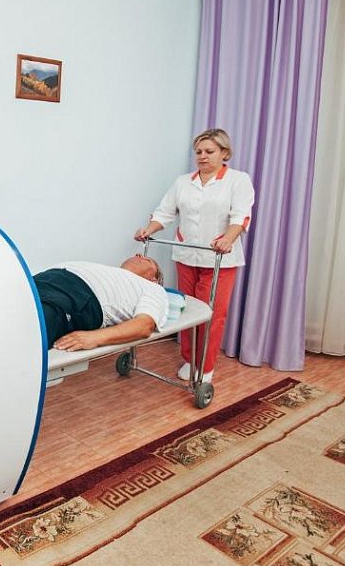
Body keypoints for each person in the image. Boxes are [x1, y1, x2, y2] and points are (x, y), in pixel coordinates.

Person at [134, 128, 255, 383]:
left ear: (224, 153)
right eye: (198, 152)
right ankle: (189, 359)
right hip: (186, 256)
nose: (202, 156)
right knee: (187, 311)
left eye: (209, 151)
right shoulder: (183, 182)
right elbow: (165, 212)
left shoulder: (238, 180)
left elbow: (241, 216)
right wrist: (149, 230)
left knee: (212, 314)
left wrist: (228, 239)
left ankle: (206, 365)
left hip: (220, 260)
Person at [34, 255, 168, 352]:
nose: (139, 255)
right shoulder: (109, 271)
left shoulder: (154, 288)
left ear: (154, 279)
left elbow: (144, 325)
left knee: (32, 325)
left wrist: (95, 337)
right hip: (43, 280)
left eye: (148, 260)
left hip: (76, 296)